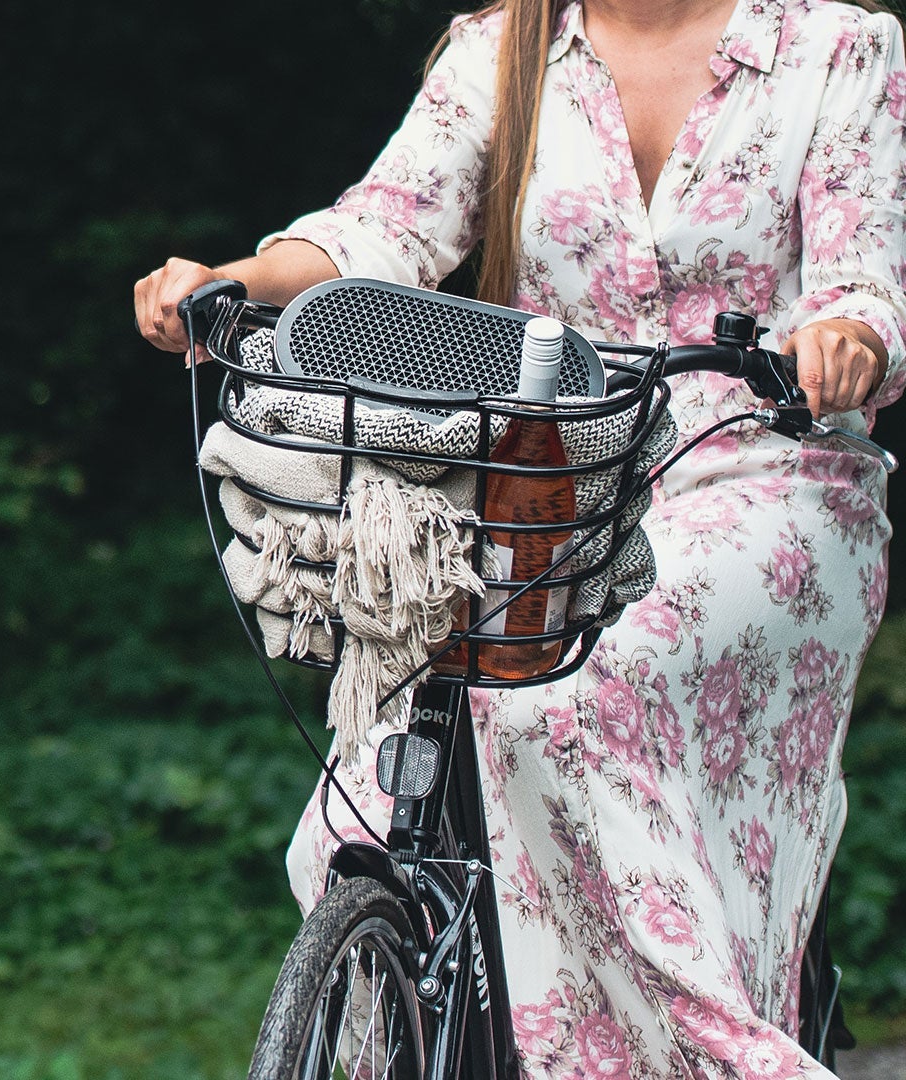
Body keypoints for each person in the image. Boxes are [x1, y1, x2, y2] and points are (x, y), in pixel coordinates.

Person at [136, 0, 904, 1075]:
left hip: (764, 469)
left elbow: (863, 276)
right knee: (387, 756)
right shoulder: (504, 50)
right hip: (555, 484)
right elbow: (383, 230)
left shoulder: (832, 47)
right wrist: (235, 283)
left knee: (579, 687)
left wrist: (847, 337)